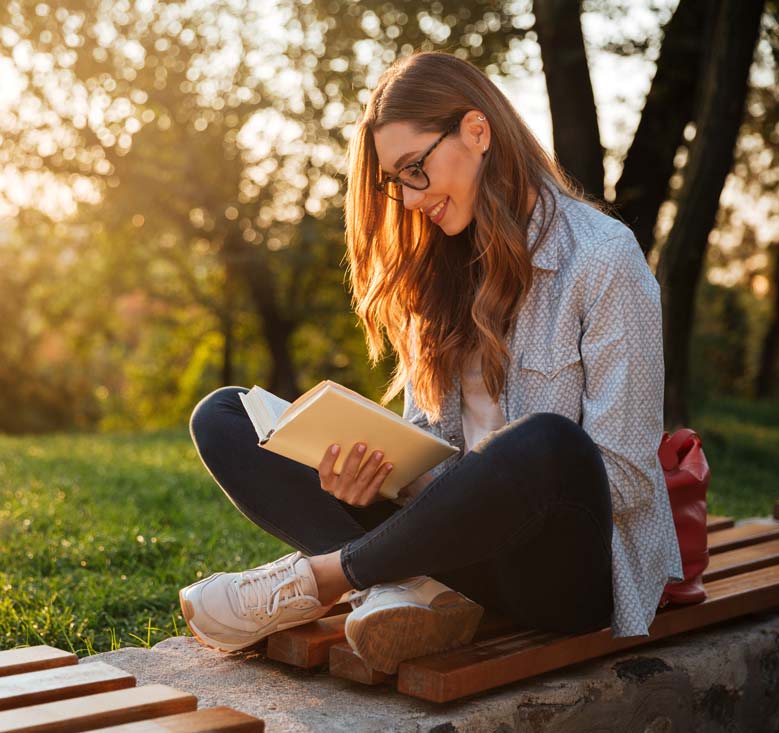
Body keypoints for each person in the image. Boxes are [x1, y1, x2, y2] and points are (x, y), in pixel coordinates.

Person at [179, 51, 682, 674]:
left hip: (562, 576)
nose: (411, 198)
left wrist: (483, 484)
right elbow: (430, 445)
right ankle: (414, 588)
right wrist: (377, 471)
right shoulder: (438, 268)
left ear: (477, 131)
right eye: (396, 181)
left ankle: (326, 579)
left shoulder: (604, 259)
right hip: (449, 547)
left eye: (416, 168)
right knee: (226, 417)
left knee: (547, 444)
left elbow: (626, 479)